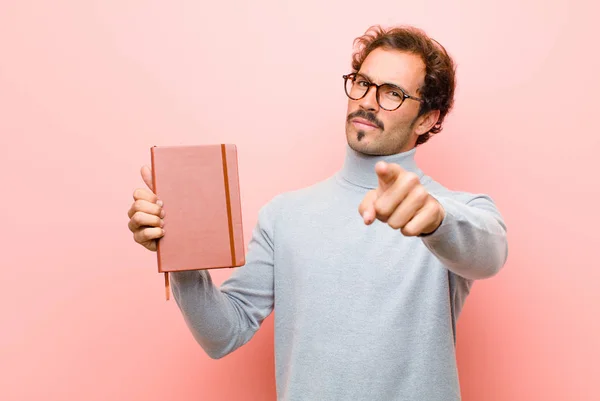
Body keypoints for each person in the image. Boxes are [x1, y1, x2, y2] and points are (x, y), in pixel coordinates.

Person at [127, 24, 508, 401]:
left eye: (392, 93)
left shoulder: (457, 211)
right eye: (362, 83)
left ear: (426, 118)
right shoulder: (284, 215)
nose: (368, 101)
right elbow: (222, 335)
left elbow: (489, 255)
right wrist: (181, 255)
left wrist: (436, 219)